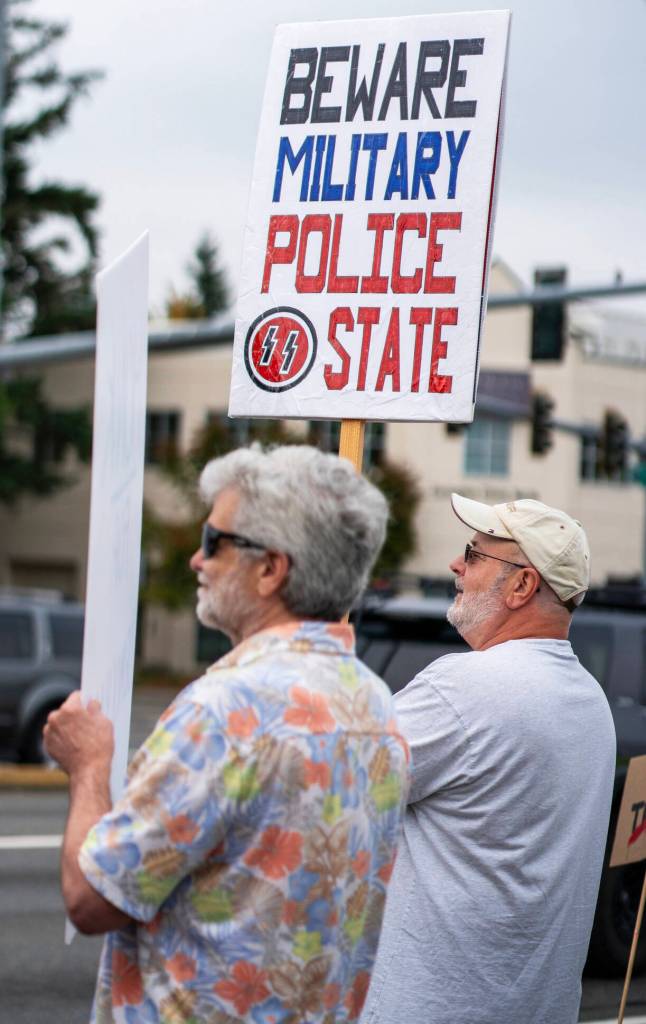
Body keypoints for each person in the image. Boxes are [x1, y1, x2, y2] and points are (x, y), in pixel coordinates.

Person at [45, 445, 409, 1024]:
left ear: (271, 569)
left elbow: (91, 899)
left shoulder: (226, 711)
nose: (196, 558)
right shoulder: (376, 707)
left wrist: (89, 765)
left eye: (216, 541)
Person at [361, 494, 616, 1024]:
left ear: (523, 586)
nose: (457, 565)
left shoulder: (465, 687)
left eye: (474, 554)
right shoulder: (592, 701)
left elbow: (329, 789)